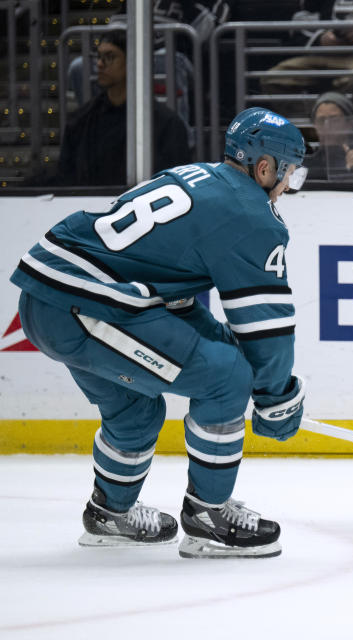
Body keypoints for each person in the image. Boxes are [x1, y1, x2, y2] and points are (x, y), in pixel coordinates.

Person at [10, 108, 309, 559]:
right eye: (290, 174)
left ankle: (111, 513)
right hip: (86, 306)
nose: (289, 187)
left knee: (135, 410)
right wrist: (276, 396)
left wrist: (240, 359)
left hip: (53, 298)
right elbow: (266, 327)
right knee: (227, 379)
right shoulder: (252, 215)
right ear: (265, 167)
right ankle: (209, 515)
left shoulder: (196, 176)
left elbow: (171, 299)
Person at [54, 31, 191, 186]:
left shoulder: (167, 124)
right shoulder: (80, 121)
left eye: (110, 57)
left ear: (132, 62)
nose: (100, 64)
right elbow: (66, 178)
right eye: (99, 57)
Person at [304, 91, 353, 179]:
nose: (327, 126)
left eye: (334, 120)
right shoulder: (305, 160)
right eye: (321, 120)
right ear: (315, 125)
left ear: (350, 123)